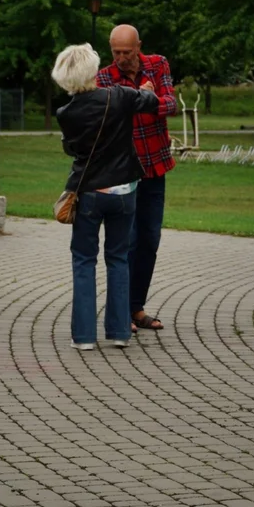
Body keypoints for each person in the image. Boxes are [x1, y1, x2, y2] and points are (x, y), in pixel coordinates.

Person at [55, 44, 160, 350]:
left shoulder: (65, 113)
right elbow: (151, 101)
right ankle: (119, 333)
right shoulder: (119, 96)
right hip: (124, 192)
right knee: (118, 260)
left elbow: (72, 150)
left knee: (84, 262)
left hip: (88, 194)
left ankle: (84, 337)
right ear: (93, 69)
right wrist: (146, 87)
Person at [95, 24, 177, 333]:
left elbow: (170, 103)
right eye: (116, 52)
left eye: (127, 52)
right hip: (124, 170)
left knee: (149, 240)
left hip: (154, 166)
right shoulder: (104, 76)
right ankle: (121, 312)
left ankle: (136, 307)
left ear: (138, 46)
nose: (121, 58)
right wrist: (142, 99)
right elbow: (109, 115)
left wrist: (148, 101)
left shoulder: (158, 64)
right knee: (125, 242)